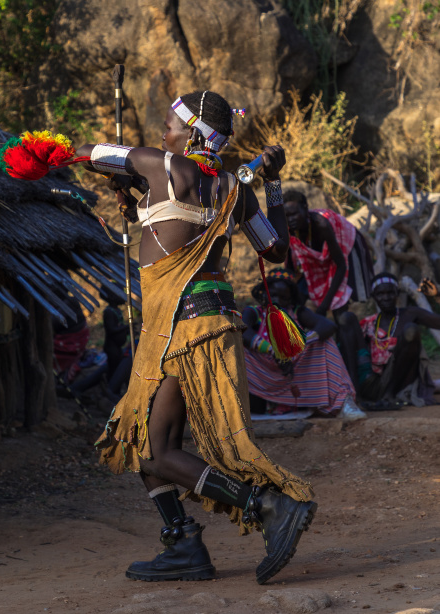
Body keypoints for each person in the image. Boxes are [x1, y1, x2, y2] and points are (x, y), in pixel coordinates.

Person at [76, 90, 316, 585]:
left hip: (182, 330)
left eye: (170, 125)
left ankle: (267, 505)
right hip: (211, 323)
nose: (163, 133)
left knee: (155, 449)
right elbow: (275, 249)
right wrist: (271, 184)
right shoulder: (235, 186)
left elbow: (94, 154)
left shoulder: (162, 166)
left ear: (190, 135)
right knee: (143, 436)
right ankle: (183, 541)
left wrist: (39, 151)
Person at [242, 269, 365, 420]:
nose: (276, 301)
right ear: (263, 294)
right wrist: (272, 350)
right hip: (263, 372)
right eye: (272, 295)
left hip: (295, 371)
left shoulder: (297, 312)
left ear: (291, 299)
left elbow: (328, 326)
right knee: (236, 345)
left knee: (325, 342)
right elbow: (242, 329)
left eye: (283, 297)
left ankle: (344, 402)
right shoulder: (255, 312)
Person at [338, 272, 438, 408]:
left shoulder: (409, 314)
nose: (386, 298)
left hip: (398, 382)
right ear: (373, 296)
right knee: (347, 318)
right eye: (380, 294)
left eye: (390, 293)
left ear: (397, 293)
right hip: (369, 381)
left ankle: (388, 396)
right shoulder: (370, 323)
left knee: (411, 330)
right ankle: (354, 395)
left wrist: (437, 296)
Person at [283, 190, 373, 319]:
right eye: (287, 216)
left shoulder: (321, 225)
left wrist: (324, 306)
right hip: (325, 256)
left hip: (347, 246)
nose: (290, 219)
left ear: (305, 208)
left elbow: (341, 265)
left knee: (342, 306)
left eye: (294, 214)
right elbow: (290, 269)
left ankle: (352, 327)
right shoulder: (289, 230)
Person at [101, 290, 130, 376]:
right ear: (113, 297)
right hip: (111, 347)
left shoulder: (117, 310)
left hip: (117, 347)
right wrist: (127, 327)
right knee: (113, 370)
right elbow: (111, 329)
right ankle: (111, 387)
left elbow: (119, 326)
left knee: (117, 367)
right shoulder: (108, 311)